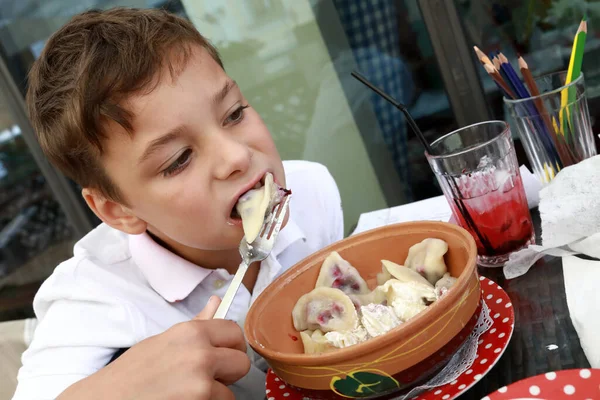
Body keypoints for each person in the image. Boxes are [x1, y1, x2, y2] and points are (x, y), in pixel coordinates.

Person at [12, 7, 343, 400]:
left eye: (234, 113)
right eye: (179, 160)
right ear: (119, 211)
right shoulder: (93, 298)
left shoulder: (311, 191)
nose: (236, 157)